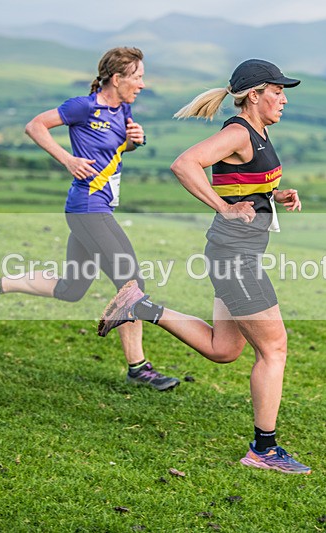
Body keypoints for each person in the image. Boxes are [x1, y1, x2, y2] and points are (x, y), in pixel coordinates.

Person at [97, 59, 311, 474]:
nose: (283, 99)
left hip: (235, 253)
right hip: (237, 257)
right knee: (274, 349)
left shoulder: (258, 134)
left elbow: (244, 181)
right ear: (254, 95)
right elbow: (184, 164)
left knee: (224, 348)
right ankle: (263, 450)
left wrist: (276, 194)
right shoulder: (237, 132)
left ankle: (141, 307)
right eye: (277, 91)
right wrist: (223, 208)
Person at [0, 47, 179, 392]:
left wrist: (132, 142)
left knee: (71, 288)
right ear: (117, 78)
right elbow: (35, 126)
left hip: (100, 207)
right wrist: (67, 159)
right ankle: (138, 367)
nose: (143, 84)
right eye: (138, 76)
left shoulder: (122, 109)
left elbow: (111, 151)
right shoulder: (84, 105)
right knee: (131, 283)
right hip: (87, 207)